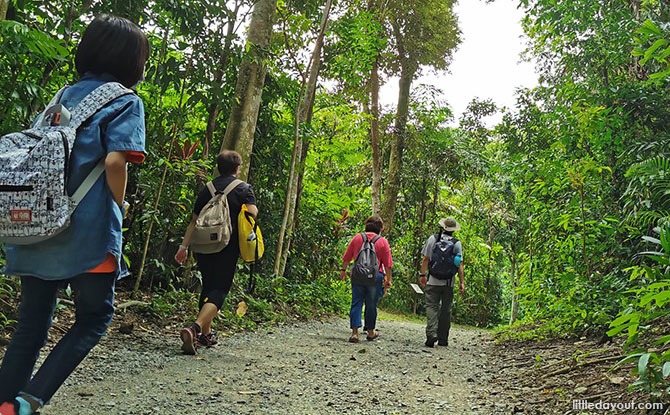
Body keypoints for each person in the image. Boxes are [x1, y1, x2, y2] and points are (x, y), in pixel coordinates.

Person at [0, 15, 149, 415]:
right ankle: (29, 401)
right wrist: (120, 203)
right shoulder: (125, 100)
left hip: (35, 227)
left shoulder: (58, 99)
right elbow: (116, 161)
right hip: (89, 230)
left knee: (30, 327)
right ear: (133, 61)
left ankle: (4, 406)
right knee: (94, 317)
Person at [175, 150, 258, 355]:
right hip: (226, 245)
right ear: (237, 168)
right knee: (220, 290)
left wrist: (183, 247)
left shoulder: (207, 189)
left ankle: (205, 334)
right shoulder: (243, 189)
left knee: (209, 285)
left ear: (218, 167)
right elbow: (253, 214)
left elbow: (194, 220)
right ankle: (195, 328)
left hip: (203, 245)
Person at [339, 215, 393, 343]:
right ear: (380, 228)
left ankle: (355, 333)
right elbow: (388, 264)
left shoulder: (358, 238)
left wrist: (343, 270)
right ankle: (370, 332)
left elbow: (347, 257)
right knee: (371, 304)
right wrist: (388, 280)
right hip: (375, 277)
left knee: (356, 302)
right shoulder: (382, 241)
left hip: (357, 275)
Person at [419, 217, 466, 348]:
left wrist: (422, 275)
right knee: (445, 310)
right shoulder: (457, 244)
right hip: (448, 283)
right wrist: (462, 282)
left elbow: (426, 259)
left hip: (433, 280)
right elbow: (459, 264)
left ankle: (431, 334)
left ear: (442, 227)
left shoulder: (433, 239)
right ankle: (443, 339)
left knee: (431, 306)